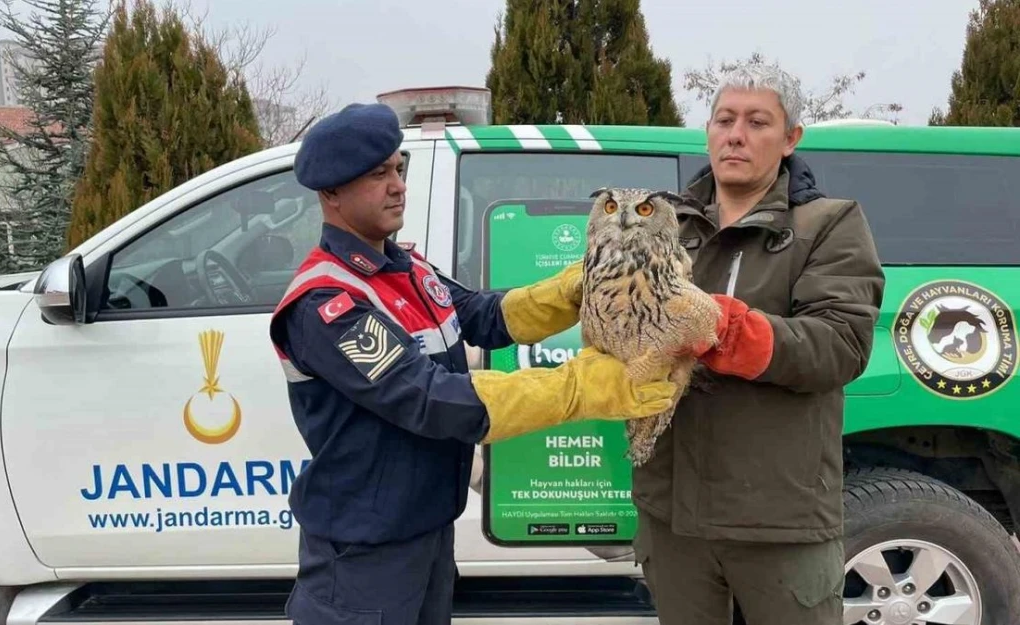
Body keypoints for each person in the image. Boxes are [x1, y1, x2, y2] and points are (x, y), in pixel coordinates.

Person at [267, 102, 679, 625]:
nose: (397, 185)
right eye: (378, 175)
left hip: (424, 529)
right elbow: (431, 399)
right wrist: (580, 387)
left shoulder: (405, 267)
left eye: (399, 168)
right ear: (330, 194)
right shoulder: (327, 302)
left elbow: (479, 315)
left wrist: (574, 288)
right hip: (362, 551)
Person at [628, 65, 886, 624]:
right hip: (671, 514)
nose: (735, 134)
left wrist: (726, 329)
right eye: (724, 119)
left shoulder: (829, 224)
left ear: (791, 138)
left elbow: (840, 343)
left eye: (756, 121)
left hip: (778, 518)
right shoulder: (664, 226)